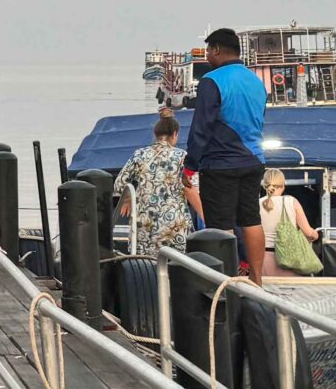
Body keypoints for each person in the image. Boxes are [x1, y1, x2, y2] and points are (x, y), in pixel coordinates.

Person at [182, 26, 269, 280]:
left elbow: (202, 127)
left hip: (220, 164)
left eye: (208, 50)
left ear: (217, 50)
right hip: (254, 160)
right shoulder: (256, 81)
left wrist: (190, 166)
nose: (207, 55)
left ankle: (227, 282)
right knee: (251, 219)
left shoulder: (212, 81)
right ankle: (256, 280)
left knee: (222, 225)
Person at [115, 111, 194, 257]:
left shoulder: (140, 154)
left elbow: (119, 184)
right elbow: (191, 187)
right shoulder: (182, 156)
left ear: (155, 134)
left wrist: (128, 198)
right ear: (175, 134)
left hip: (144, 223)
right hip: (173, 224)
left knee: (145, 266)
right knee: (175, 264)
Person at [257, 168, 321, 276]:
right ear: (283, 185)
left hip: (262, 260)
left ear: (264, 185)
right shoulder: (291, 201)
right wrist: (315, 235)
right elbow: (308, 233)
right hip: (288, 259)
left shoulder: (256, 204)